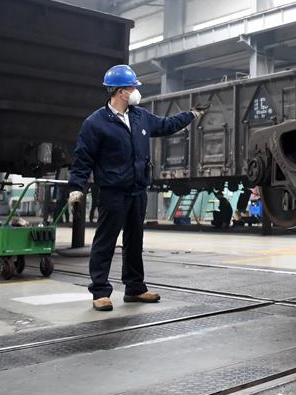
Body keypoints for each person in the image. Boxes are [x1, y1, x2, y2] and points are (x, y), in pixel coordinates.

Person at [67, 65, 204, 311]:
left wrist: (191, 115)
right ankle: (100, 291)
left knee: (134, 240)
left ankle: (135, 288)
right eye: (132, 87)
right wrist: (76, 188)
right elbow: (82, 158)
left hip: (137, 189)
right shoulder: (95, 123)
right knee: (105, 240)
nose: (135, 91)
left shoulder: (140, 116)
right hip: (112, 191)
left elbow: (165, 125)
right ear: (120, 91)